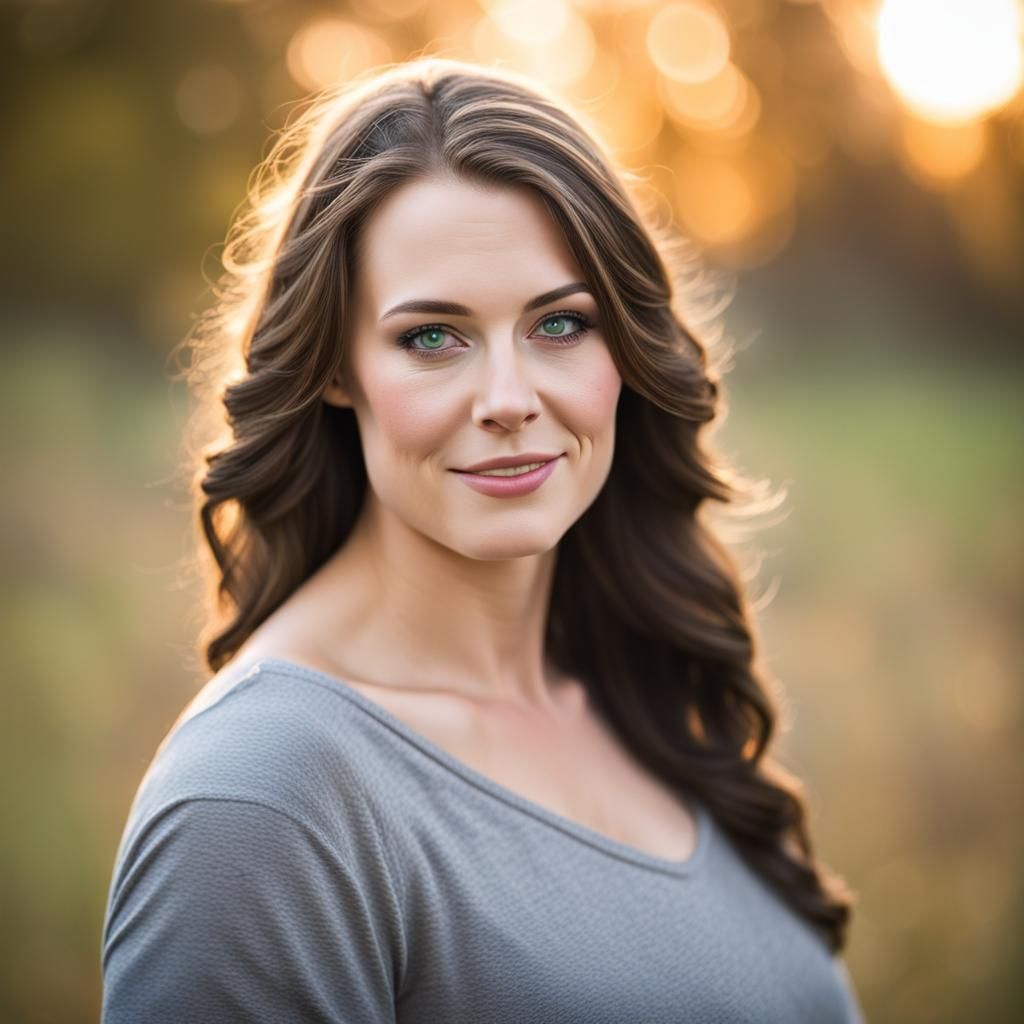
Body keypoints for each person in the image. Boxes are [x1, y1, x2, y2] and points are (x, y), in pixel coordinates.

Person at [100, 57, 865, 1022]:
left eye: (561, 324)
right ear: (335, 367)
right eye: (433, 337)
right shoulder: (262, 799)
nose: (509, 400)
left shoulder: (646, 689)